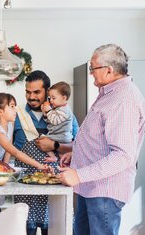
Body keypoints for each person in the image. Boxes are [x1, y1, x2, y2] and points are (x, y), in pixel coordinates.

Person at [58, 44, 145, 235]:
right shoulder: (110, 94)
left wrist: (78, 175)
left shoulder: (123, 99)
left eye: (93, 68)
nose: (90, 73)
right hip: (90, 186)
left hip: (103, 191)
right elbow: (101, 140)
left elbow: (123, 156)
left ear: (109, 70)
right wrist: (77, 155)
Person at [13, 70, 79, 235]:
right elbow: (7, 145)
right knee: (24, 227)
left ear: (48, 92)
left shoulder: (64, 114)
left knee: (52, 228)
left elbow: (78, 146)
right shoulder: (16, 114)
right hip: (24, 183)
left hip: (54, 180)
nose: (31, 96)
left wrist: (54, 146)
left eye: (37, 92)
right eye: (28, 92)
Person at [40, 81, 74, 162]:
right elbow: (50, 121)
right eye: (49, 98)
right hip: (58, 136)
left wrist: (49, 111)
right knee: (61, 155)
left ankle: (53, 157)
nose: (51, 100)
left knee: (41, 140)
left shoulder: (65, 110)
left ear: (64, 98)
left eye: (53, 98)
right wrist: (45, 114)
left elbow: (55, 121)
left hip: (61, 137)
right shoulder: (57, 108)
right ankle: (59, 159)